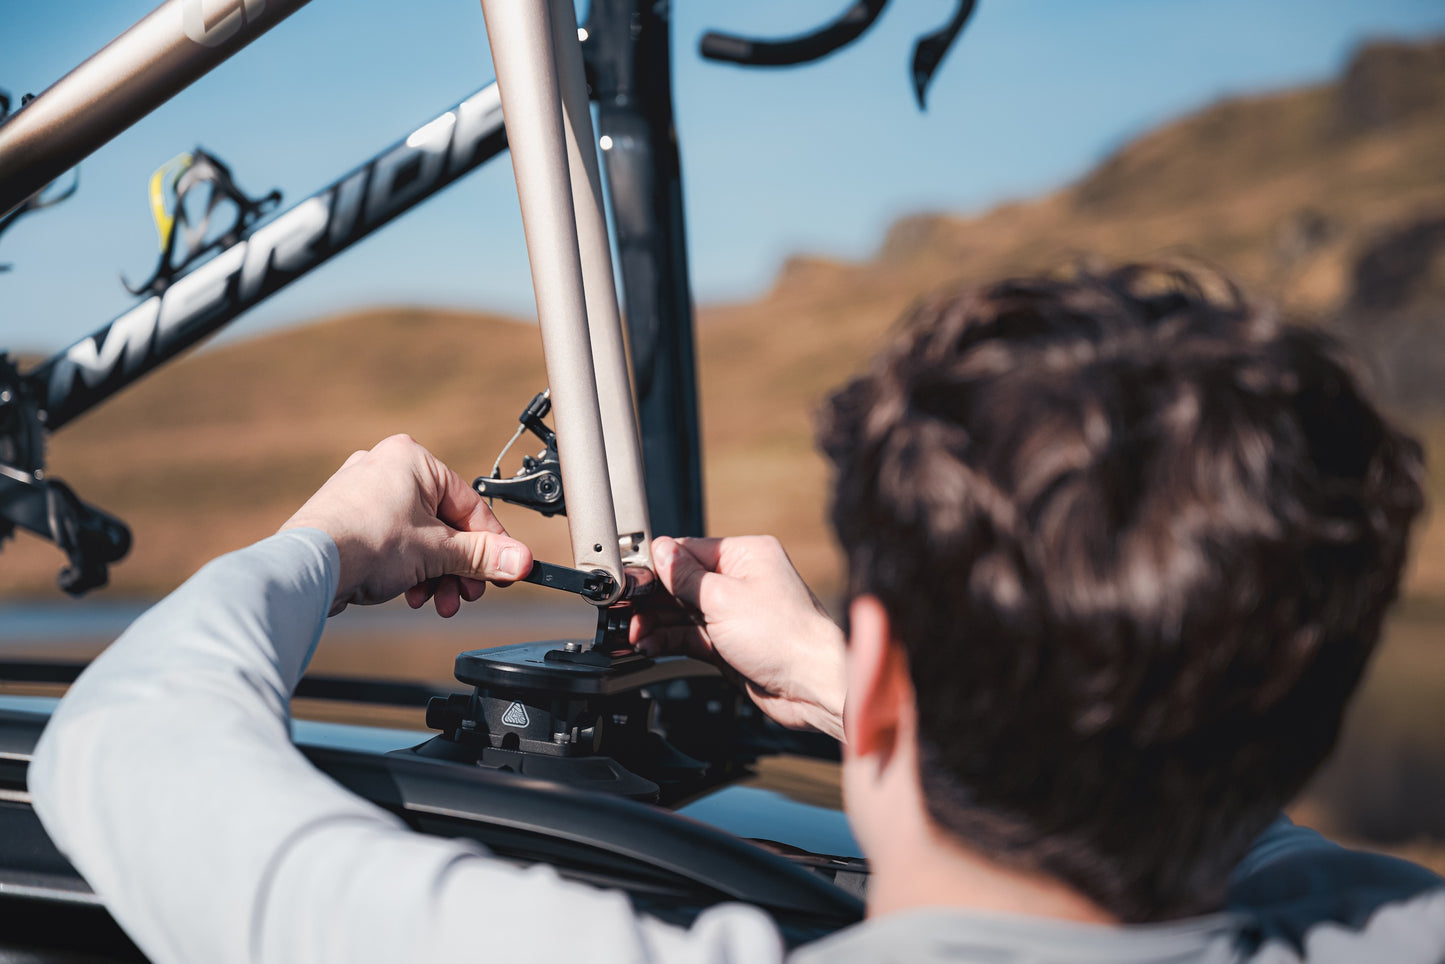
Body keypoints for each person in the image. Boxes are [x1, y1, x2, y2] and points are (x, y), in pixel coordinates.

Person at [28, 264, 1445, 962]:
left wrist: (327, 544)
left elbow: (118, 755)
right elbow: (1228, 793)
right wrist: (843, 674)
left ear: (889, 674)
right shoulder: (1383, 925)